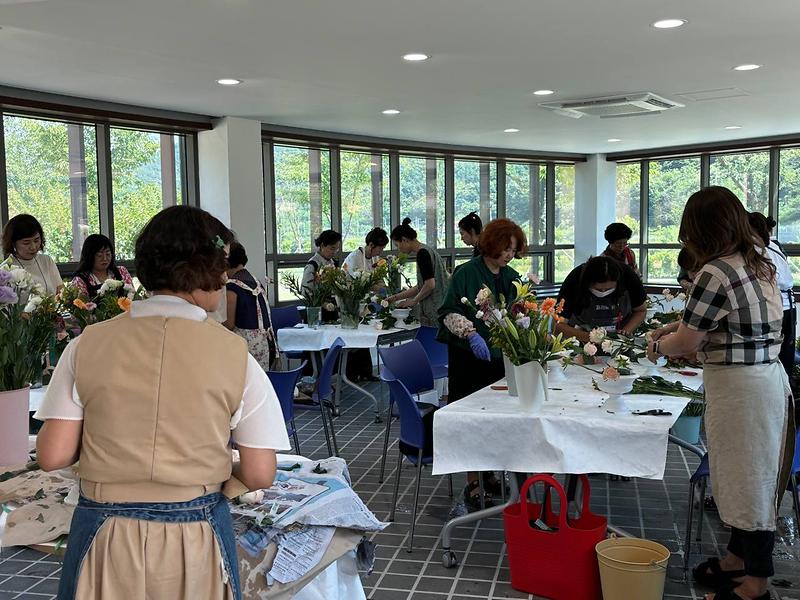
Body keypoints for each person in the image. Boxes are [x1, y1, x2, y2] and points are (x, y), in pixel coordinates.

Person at [35, 205, 290, 600]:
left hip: (105, 531)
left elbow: (53, 455)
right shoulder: (235, 355)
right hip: (196, 532)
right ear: (207, 270)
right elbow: (260, 474)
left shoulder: (86, 345)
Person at [647, 187, 793, 600]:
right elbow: (720, 322)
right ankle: (735, 560)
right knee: (747, 475)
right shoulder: (760, 262)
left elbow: (689, 341)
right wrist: (672, 330)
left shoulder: (715, 271)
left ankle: (755, 584)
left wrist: (659, 345)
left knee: (747, 481)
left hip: (740, 387)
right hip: (765, 380)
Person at [438, 218, 527, 509]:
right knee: (471, 417)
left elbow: (520, 315)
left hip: (502, 361)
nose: (509, 255)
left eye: (513, 250)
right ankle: (473, 480)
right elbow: (448, 312)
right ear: (492, 244)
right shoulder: (466, 273)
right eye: (506, 249)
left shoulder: (512, 277)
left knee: (499, 418)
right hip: (469, 358)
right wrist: (471, 333)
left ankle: (492, 471)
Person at [555, 256, 647, 343]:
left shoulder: (628, 277)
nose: (603, 292)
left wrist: (623, 334)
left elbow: (640, 311)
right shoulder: (574, 280)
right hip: (579, 337)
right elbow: (559, 324)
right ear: (588, 283)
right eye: (598, 289)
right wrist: (591, 337)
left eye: (609, 289)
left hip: (618, 338)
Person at [750, 212, 795, 379]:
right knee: (785, 353)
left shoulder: (758, 249)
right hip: (787, 305)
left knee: (776, 355)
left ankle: (783, 394)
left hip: (776, 306)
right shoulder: (773, 245)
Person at [342, 228, 388, 382]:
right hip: (350, 301)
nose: (380, 251)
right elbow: (357, 282)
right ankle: (352, 374)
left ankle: (365, 371)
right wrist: (377, 287)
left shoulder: (374, 259)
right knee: (355, 337)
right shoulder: (354, 257)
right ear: (370, 244)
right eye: (379, 248)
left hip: (365, 301)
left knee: (364, 334)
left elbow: (378, 280)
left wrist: (385, 290)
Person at [387, 218, 449, 326]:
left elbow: (430, 285)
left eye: (397, 245)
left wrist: (414, 301)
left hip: (435, 311)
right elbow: (421, 286)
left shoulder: (422, 254)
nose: (399, 249)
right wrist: (396, 297)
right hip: (443, 308)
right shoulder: (428, 250)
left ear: (405, 240)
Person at [224, 241, 274, 373]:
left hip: (249, 348)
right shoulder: (256, 281)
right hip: (267, 344)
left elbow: (229, 324)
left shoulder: (232, 286)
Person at [1, 213, 63, 295]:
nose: (33, 247)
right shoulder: (5, 270)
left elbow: (61, 292)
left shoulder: (46, 261)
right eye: (26, 243)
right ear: (13, 243)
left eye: (36, 240)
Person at [70, 234, 134, 298]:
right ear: (89, 256)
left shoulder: (121, 271)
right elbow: (81, 305)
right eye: (99, 255)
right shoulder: (80, 280)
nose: (105, 258)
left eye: (108, 254)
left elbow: (133, 296)